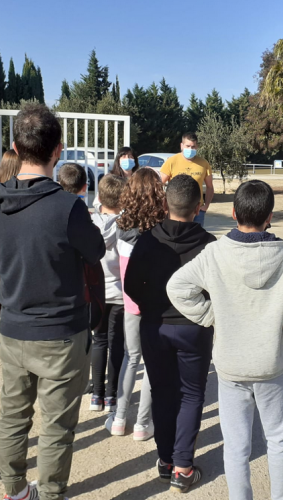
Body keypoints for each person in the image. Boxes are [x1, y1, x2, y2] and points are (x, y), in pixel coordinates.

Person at [167, 180, 283, 500]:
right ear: (270, 217)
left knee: (237, 446)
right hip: (272, 363)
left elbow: (178, 288)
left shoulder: (215, 253)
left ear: (232, 213)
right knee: (279, 441)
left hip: (231, 364)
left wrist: (211, 316)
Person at [0, 103, 106, 500]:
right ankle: (51, 492)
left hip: (13, 328)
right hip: (60, 333)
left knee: (13, 417)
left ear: (15, 147)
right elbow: (95, 250)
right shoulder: (68, 207)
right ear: (59, 149)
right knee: (56, 427)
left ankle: (15, 491)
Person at [125, 174, 217, 493]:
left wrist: (153, 307)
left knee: (163, 393)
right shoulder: (208, 244)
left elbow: (131, 286)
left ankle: (166, 461)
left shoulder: (148, 240)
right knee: (191, 395)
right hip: (194, 329)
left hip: (155, 326)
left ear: (165, 203)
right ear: (198, 206)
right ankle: (182, 467)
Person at [105, 168, 165, 439]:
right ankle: (142, 424)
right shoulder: (161, 228)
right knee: (152, 362)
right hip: (156, 304)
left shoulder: (120, 225)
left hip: (130, 302)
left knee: (131, 358)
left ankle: (118, 419)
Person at [89, 175, 128, 414]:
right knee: (117, 345)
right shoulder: (126, 224)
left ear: (99, 197)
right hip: (120, 293)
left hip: (96, 291)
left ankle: (96, 395)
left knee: (99, 341)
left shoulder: (90, 222)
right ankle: (112, 395)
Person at [159, 132, 213, 227]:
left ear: (197, 147)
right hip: (175, 210)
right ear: (182, 145)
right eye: (187, 146)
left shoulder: (204, 163)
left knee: (196, 238)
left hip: (197, 211)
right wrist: (165, 205)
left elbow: (210, 187)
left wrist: (206, 205)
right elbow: (159, 185)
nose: (190, 149)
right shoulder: (171, 161)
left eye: (193, 147)